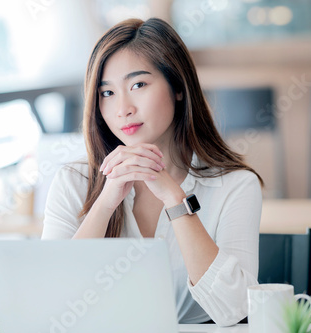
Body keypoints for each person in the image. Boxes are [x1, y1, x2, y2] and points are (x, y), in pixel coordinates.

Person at [41, 17, 263, 326]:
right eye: (107, 93)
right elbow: (52, 302)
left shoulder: (236, 185)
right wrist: (105, 203)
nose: (123, 109)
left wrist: (176, 199)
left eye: (138, 85)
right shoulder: (74, 181)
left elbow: (235, 309)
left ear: (178, 88)